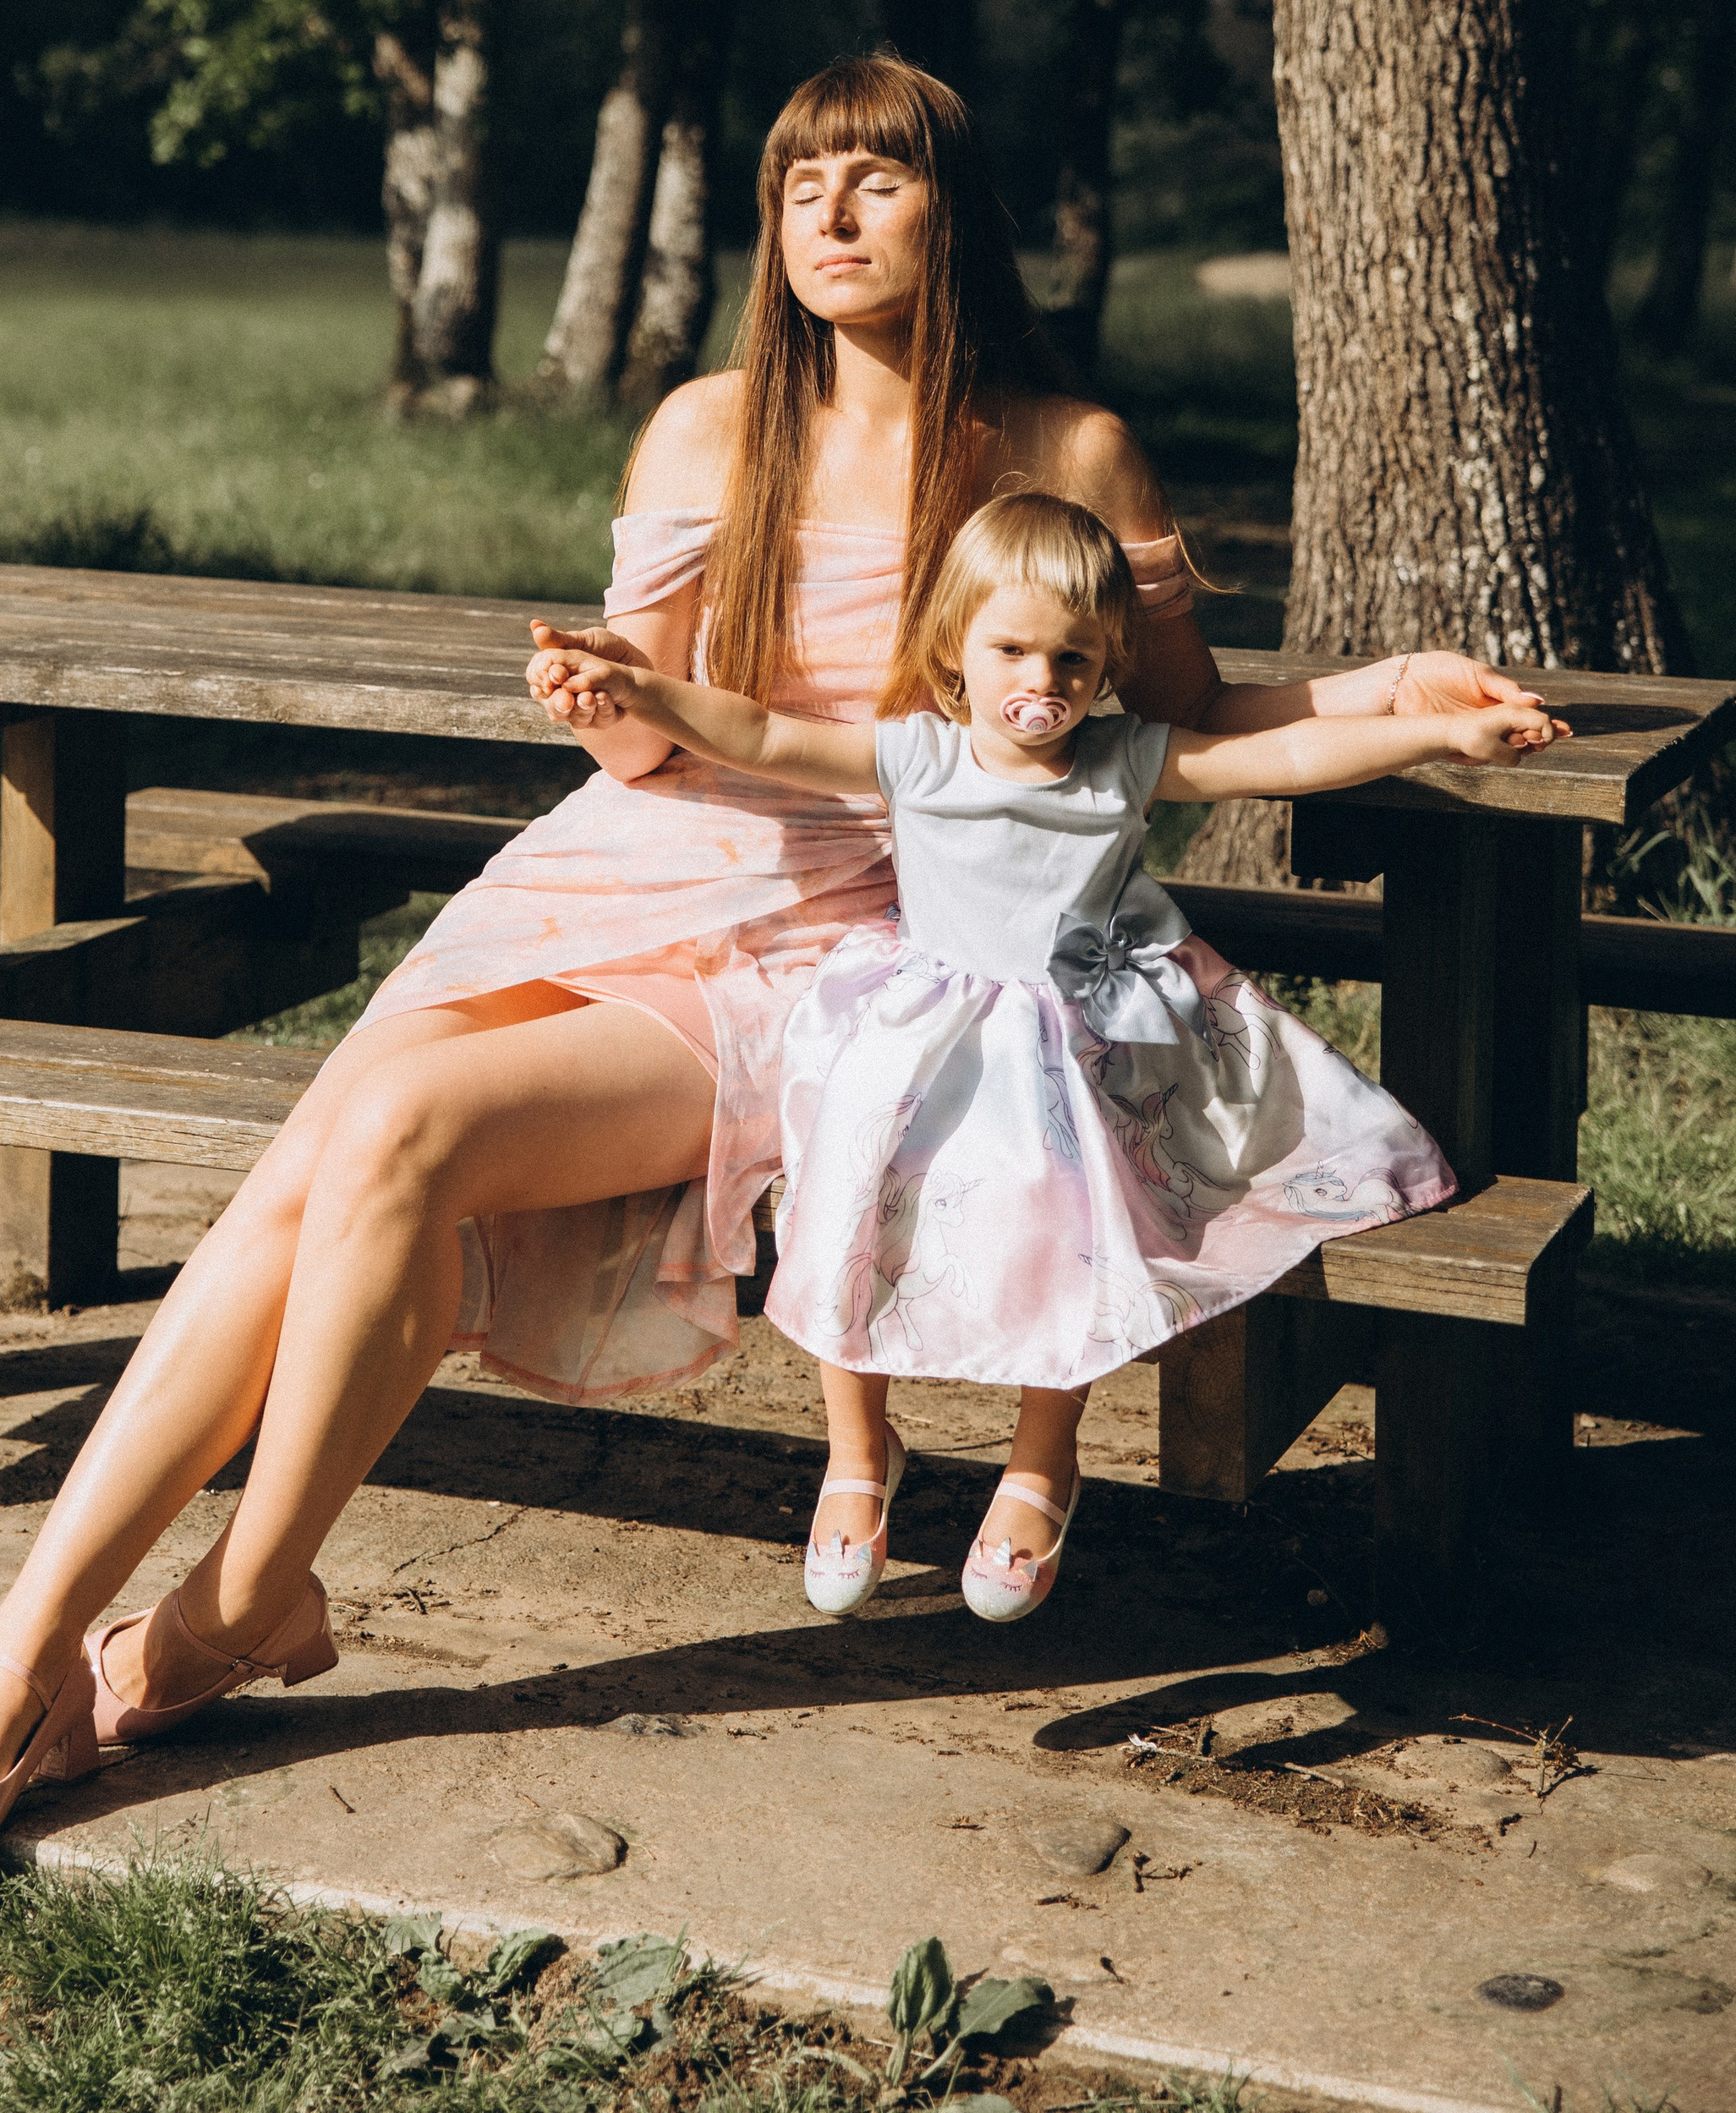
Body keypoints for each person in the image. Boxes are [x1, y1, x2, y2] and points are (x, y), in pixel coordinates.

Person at [0, 53, 1551, 1853]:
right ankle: (38, 1641)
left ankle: (221, 1611)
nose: (828, 212)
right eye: (799, 179)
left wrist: (1390, 697)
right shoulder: (701, 427)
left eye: (875, 179)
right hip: (621, 866)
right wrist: (600, 699)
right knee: (318, 1167)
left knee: (393, 1135)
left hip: (856, 933)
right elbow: (659, 744)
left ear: (945, 207)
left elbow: (1188, 718)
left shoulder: (1065, 452)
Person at [528, 488, 1559, 1626]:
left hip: (1082, 1016)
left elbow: (1284, 753)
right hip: (930, 1013)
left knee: (1063, 1193)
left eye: (1074, 660)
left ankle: (1041, 1457)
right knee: (843, 1181)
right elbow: (763, 735)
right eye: (1012, 648)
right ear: (953, 651)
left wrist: (1436, 731)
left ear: (1109, 664)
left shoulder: (1121, 762)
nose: (1044, 682)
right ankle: (858, 1451)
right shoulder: (919, 754)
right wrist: (634, 688)